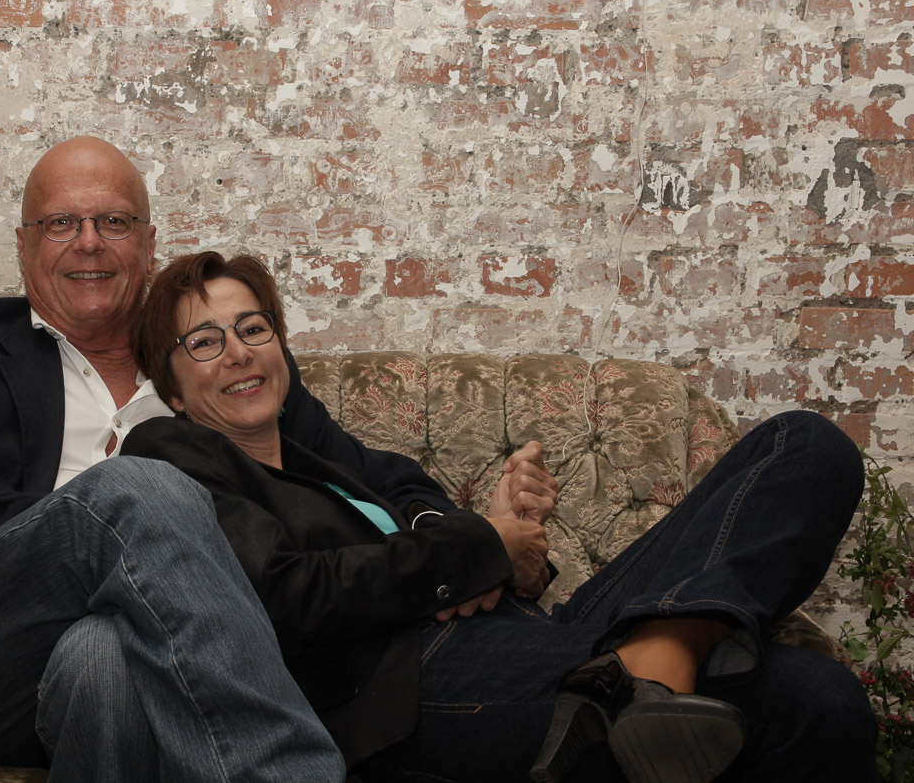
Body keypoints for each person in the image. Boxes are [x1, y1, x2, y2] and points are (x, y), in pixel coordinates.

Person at [0, 136, 455, 782]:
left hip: (131, 663)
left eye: (114, 222)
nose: (89, 242)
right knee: (136, 488)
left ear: (149, 244)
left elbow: (370, 478)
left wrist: (451, 538)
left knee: (104, 657)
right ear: (23, 245)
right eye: (61, 223)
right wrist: (97, 522)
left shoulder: (217, 359)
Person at [124, 250, 879, 783]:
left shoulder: (311, 444)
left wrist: (499, 542)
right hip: (411, 684)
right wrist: (480, 549)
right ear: (174, 388)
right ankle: (649, 669)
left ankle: (649, 659)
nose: (238, 351)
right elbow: (287, 596)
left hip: (533, 633)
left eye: (254, 328)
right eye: (205, 341)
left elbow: (413, 490)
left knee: (806, 445)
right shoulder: (170, 457)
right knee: (817, 700)